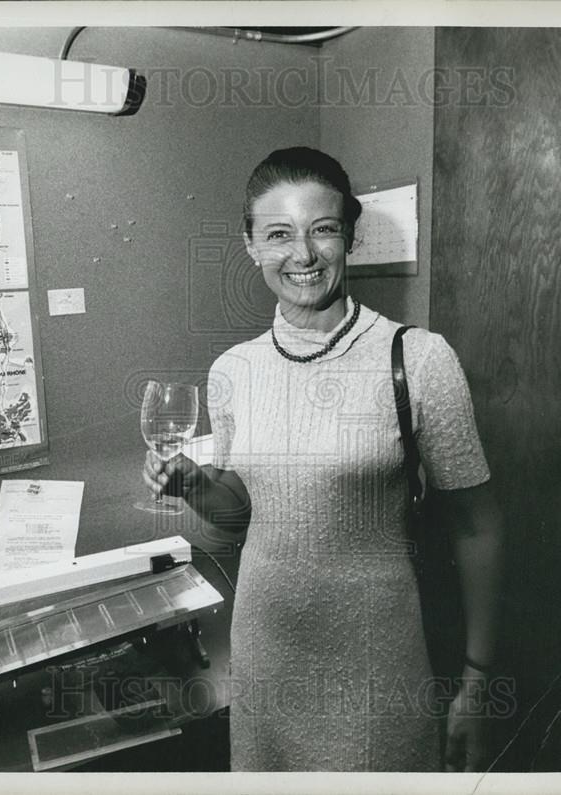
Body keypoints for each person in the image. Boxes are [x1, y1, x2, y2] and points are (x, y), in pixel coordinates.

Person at [142, 147, 503, 772]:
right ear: (250, 244)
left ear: (350, 238)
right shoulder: (233, 370)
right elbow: (238, 519)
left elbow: (479, 526)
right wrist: (193, 485)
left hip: (375, 664)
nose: (302, 255)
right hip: (266, 656)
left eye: (323, 230)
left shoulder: (418, 359)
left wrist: (478, 676)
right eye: (278, 234)